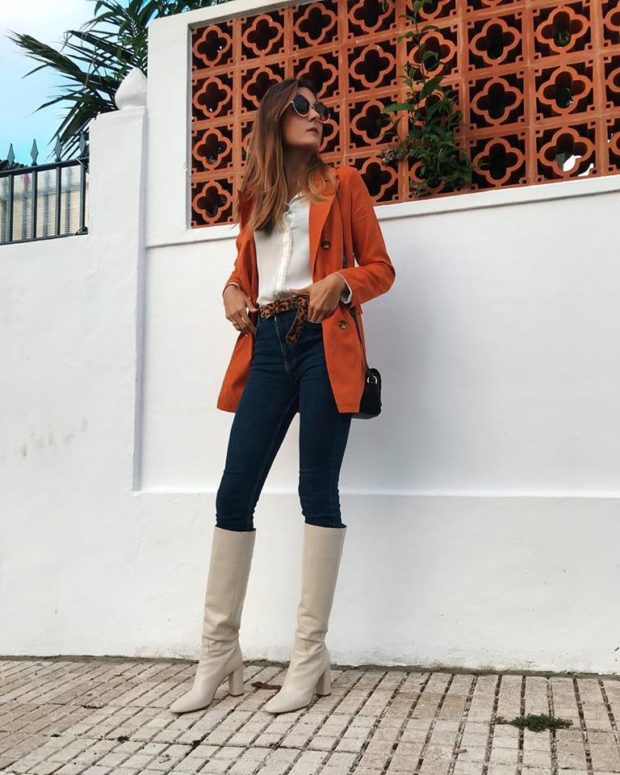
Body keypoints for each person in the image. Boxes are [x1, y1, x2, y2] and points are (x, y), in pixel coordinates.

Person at [170, 77, 395, 716]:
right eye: (302, 107)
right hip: (267, 345)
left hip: (324, 342)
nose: (318, 114)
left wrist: (340, 283)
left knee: (316, 490)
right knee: (233, 492)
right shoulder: (256, 198)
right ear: (274, 118)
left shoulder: (343, 184)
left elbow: (380, 268)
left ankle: (309, 655)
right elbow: (244, 274)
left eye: (322, 108)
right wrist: (230, 294)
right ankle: (218, 654)